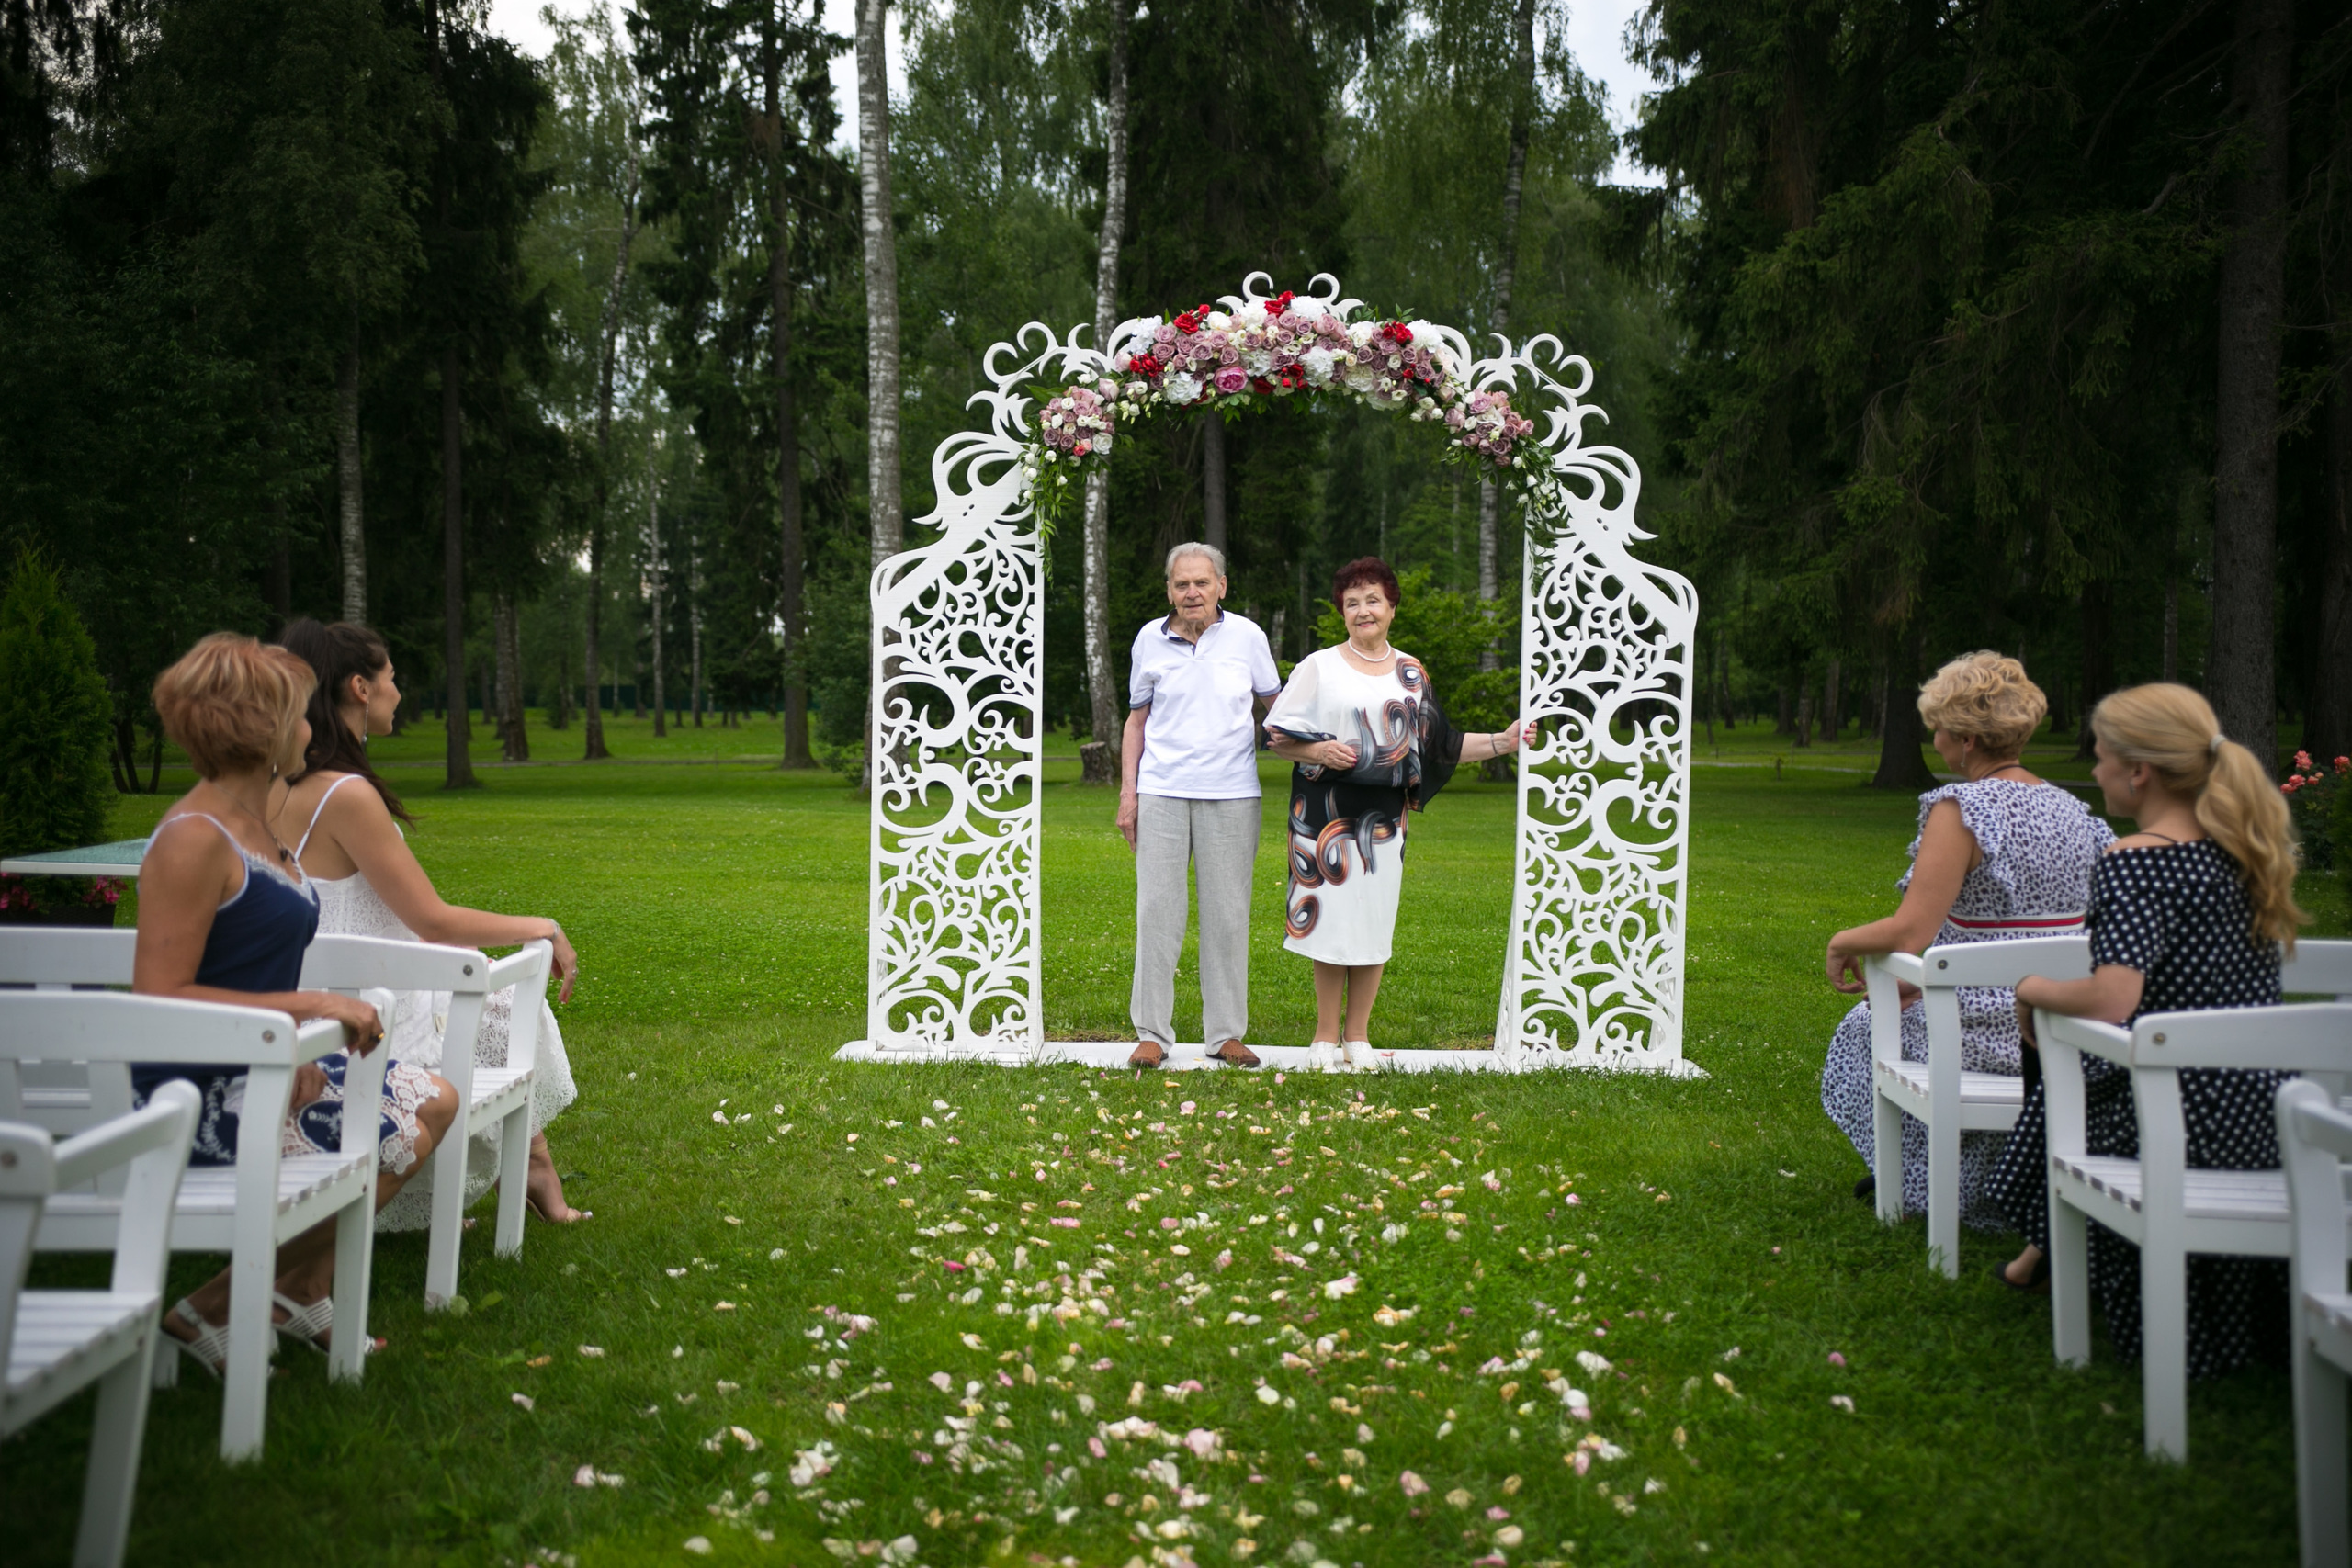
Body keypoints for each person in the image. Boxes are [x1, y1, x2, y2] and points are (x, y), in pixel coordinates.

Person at [133, 634, 458, 1371]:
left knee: (432, 1101)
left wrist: (296, 1034)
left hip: (267, 1062)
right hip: (201, 1093)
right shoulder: (194, 837)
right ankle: (213, 1307)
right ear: (265, 727)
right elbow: (159, 998)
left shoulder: (255, 825)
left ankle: (297, 1287)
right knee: (415, 1109)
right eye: (299, 714)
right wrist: (306, 1007)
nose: (312, 727)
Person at [1984, 683, 2304, 1379]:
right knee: (2078, 1084)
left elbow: (2111, 996)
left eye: (2099, 757)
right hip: (2266, 1111)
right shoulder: (2245, 854)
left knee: (2061, 1098)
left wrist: (2032, 990)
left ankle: (2042, 1253)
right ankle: (2035, 1259)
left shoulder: (2136, 861)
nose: (2093, 770)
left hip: (2178, 1118)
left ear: (2139, 772)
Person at [272, 619, 584, 1226]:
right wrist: (542, 927)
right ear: (361, 687)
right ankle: (528, 1169)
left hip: (329, 983)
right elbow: (432, 919)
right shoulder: (345, 794)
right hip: (370, 1004)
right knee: (510, 1005)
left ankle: (529, 1167)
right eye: (393, 678)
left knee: (490, 997)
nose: (399, 690)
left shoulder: (281, 786)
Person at [1819, 651, 2111, 1223]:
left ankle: (1921, 1181)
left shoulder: (1962, 809)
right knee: (1904, 1007)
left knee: (1863, 1029)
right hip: (2062, 1024)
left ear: (1966, 740)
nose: (1934, 740)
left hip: (1977, 1028)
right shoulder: (2079, 812)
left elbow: (1910, 931)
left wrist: (1843, 940)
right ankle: (1984, 1181)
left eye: (1938, 729)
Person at [1262, 558, 1521, 1071]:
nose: (1363, 610)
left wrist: (1503, 741)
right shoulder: (1319, 666)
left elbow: (1440, 745)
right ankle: (1322, 1037)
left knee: (1373, 924)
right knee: (1331, 924)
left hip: (1383, 826)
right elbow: (1276, 735)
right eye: (1352, 602)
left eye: (1373, 600)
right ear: (1342, 611)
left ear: (1391, 608)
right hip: (1324, 821)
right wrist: (1316, 753)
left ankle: (1357, 1037)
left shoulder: (1411, 673)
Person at [1117, 543, 1283, 1070]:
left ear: (1221, 587)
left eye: (1201, 583)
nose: (1192, 593)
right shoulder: (1149, 638)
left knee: (1228, 916)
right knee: (1157, 913)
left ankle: (1226, 1034)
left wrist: (1315, 751)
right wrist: (1128, 795)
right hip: (1161, 791)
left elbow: (1275, 710)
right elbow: (1136, 723)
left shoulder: (1248, 637)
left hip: (1233, 792)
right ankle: (1152, 1033)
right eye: (1181, 584)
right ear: (1169, 590)